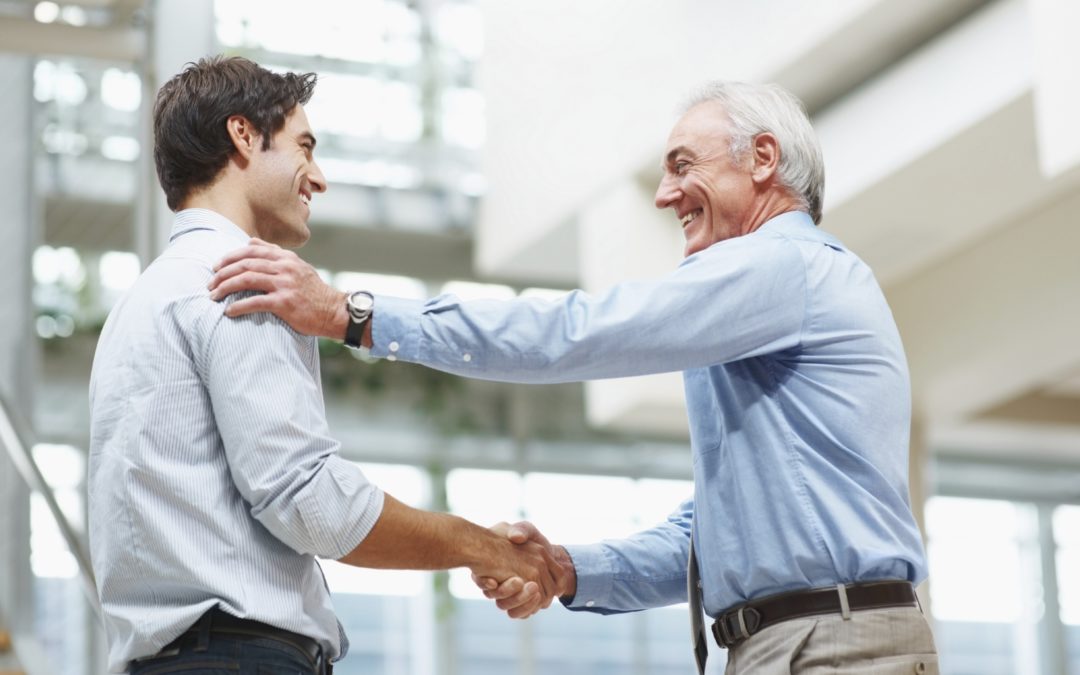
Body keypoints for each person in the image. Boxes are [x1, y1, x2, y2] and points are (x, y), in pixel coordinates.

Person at [207, 81, 939, 674]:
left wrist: (353, 313)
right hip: (790, 643)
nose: (663, 193)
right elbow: (713, 535)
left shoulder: (784, 267)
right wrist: (567, 570)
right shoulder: (765, 306)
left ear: (763, 159)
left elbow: (577, 333)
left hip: (838, 647)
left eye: (683, 165)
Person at [88, 55, 562, 675]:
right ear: (242, 136)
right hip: (242, 658)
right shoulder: (247, 280)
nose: (318, 178)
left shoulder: (144, 299)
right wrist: (482, 547)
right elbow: (310, 502)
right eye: (303, 147)